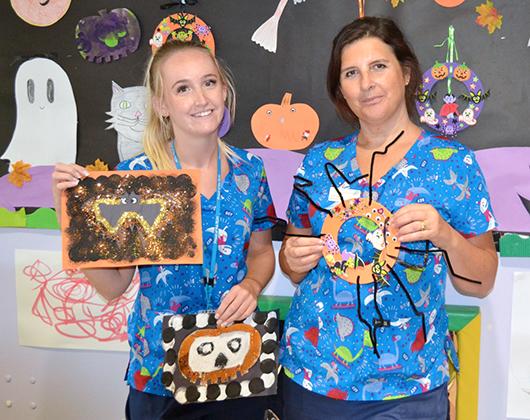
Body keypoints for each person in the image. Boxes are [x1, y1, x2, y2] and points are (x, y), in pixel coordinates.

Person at [278, 16, 498, 420]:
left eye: (378, 66)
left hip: (408, 387)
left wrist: (447, 236)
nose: (366, 84)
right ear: (340, 89)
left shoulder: (453, 163)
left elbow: (483, 283)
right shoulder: (318, 162)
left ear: (407, 73)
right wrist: (290, 261)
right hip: (313, 377)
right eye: (351, 73)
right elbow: (292, 260)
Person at [52, 39, 277, 420]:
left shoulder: (249, 171)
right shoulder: (138, 179)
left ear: (224, 90)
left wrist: (252, 285)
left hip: (236, 364)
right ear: (161, 105)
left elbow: (260, 252)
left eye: (209, 82)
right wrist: (71, 224)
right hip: (159, 374)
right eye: (182, 88)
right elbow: (113, 286)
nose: (201, 98)